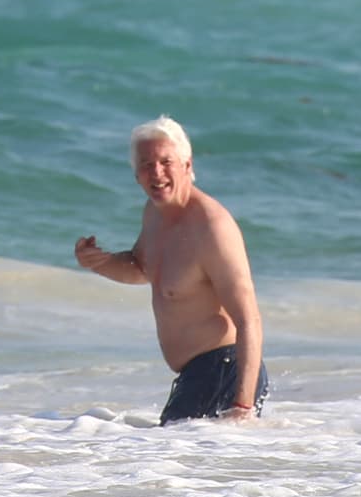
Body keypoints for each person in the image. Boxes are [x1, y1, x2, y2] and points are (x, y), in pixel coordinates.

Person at [74, 115, 267, 425]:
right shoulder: (155, 213)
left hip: (224, 370)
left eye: (166, 162)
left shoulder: (211, 227)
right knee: (166, 463)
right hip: (198, 375)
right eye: (147, 164)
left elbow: (249, 319)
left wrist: (242, 406)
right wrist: (99, 263)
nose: (157, 172)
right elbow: (142, 270)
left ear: (187, 166)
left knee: (155, 461)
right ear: (136, 175)